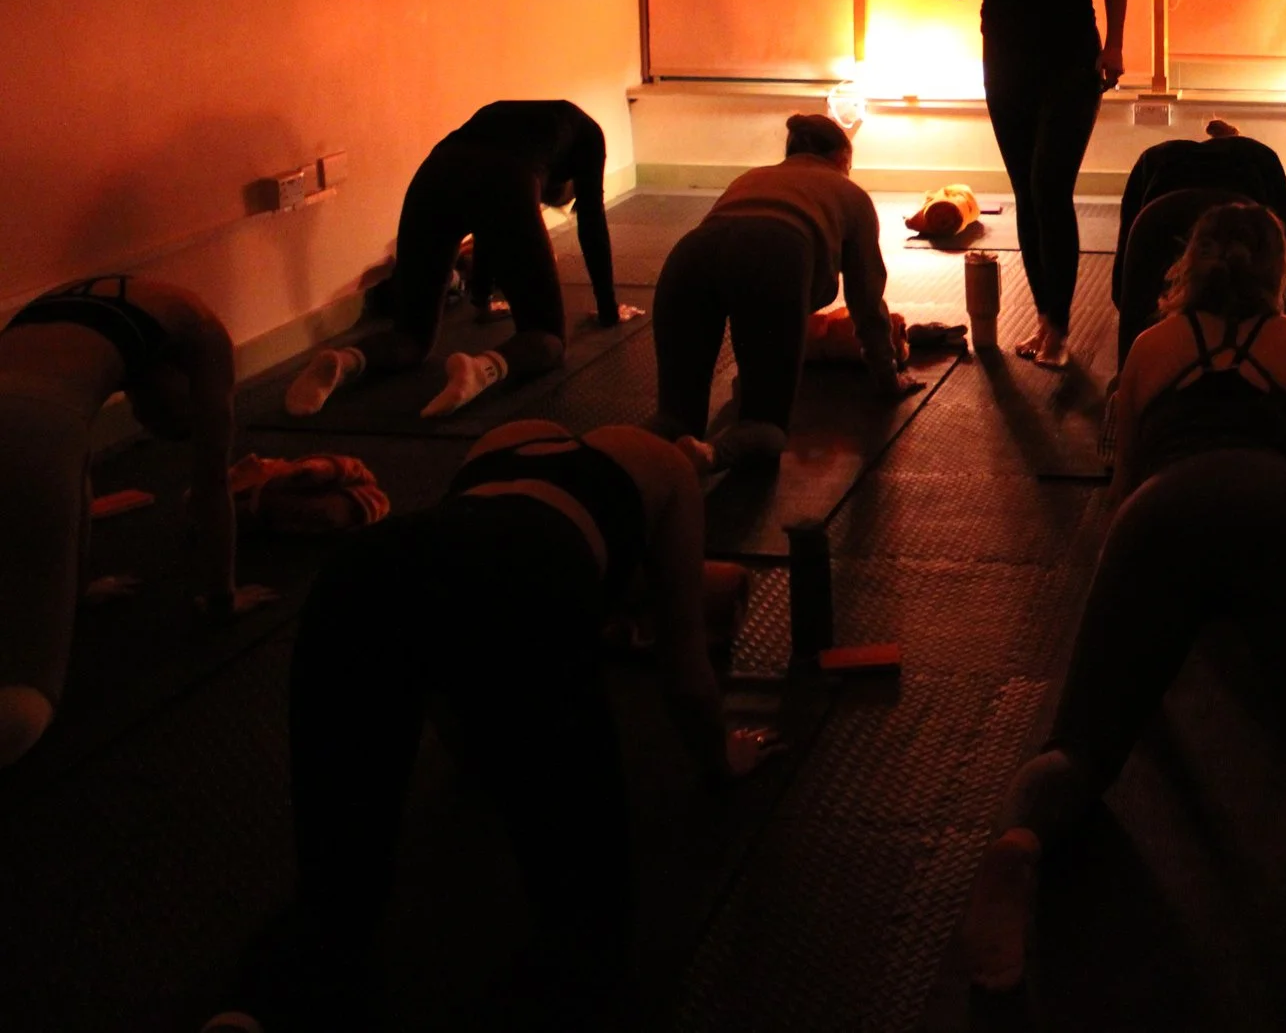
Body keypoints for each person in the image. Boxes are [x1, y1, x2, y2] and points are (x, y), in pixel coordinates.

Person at [961, 202, 1286, 995]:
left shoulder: (1150, 347)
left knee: (1080, 746)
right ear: (1280, 270)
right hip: (1284, 518)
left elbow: (1124, 487)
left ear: (1188, 265)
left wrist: (1113, 614)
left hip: (1161, 516)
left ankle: (1019, 842)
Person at [246, 420, 776, 1030]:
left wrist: (486, 748)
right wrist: (723, 756)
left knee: (334, 891)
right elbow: (684, 673)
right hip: (527, 571)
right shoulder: (672, 475)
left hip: (365, 568)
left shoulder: (509, 437)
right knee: (585, 925)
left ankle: (250, 1011)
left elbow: (444, 635)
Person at [0, 275, 272, 767]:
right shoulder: (204, 332)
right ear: (180, 374)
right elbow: (212, 481)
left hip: (33, 425)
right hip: (33, 429)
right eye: (180, 418)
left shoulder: (92, 311)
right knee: (27, 696)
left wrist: (77, 586)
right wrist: (222, 598)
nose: (154, 426)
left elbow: (68, 484)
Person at [935, 0, 1127, 370]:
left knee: (1049, 187)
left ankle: (1060, 328)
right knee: (1025, 192)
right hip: (1006, 59)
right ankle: (1046, 320)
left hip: (1071, 56)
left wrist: (1114, 46)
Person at [286, 100, 635, 419]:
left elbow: (488, 226)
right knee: (548, 338)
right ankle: (480, 370)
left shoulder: (513, 121)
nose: (551, 204)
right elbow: (591, 223)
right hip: (502, 181)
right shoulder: (588, 136)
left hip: (432, 177)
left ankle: (343, 360)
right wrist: (608, 310)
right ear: (570, 178)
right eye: (559, 200)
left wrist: (481, 299)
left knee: (411, 337)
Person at [648, 113, 916, 472]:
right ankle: (712, 456)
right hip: (774, 260)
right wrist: (887, 376)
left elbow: (732, 259)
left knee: (673, 419)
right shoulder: (852, 195)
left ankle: (608, 456)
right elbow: (865, 299)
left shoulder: (752, 177)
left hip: (688, 259)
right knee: (766, 425)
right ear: (842, 161)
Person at [1112, 119, 1286, 361]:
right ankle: (1229, 142)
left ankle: (1229, 143)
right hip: (1215, 180)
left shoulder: (1150, 345)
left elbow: (1126, 293)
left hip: (1168, 191)